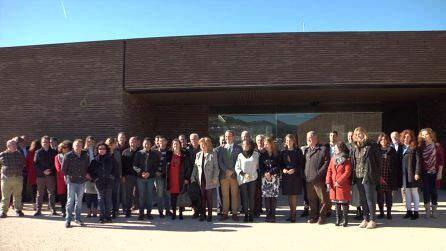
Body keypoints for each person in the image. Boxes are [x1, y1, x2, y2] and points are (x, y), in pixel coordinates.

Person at [350, 127, 381, 229]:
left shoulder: (371, 145)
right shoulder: (354, 146)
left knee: (370, 199)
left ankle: (372, 220)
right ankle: (365, 219)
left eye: (361, 133)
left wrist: (376, 174)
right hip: (358, 176)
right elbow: (353, 161)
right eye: (357, 133)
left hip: (368, 176)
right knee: (363, 199)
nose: (359, 135)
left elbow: (378, 161)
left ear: (364, 133)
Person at [62, 138, 91, 228]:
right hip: (72, 181)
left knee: (79, 201)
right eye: (76, 145)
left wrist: (86, 174)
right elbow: (63, 169)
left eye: (80, 145)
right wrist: (67, 177)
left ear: (82, 146)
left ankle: (77, 218)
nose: (78, 147)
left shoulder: (85, 155)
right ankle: (68, 220)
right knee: (70, 200)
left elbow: (87, 166)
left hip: (82, 181)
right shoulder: (68, 155)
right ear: (73, 146)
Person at [303, 131, 330, 225]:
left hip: (318, 179)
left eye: (310, 137)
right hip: (309, 179)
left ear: (316, 138)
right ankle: (314, 217)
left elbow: (327, 163)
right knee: (311, 199)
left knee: (322, 199)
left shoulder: (323, 149)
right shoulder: (307, 150)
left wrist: (319, 174)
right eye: (307, 138)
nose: (308, 139)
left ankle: (322, 217)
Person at [191, 137, 219, 222]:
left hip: (210, 179)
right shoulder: (198, 154)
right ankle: (203, 214)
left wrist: (215, 178)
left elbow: (216, 167)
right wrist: (192, 177)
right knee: (202, 198)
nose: (202, 146)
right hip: (201, 179)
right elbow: (195, 167)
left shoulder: (213, 154)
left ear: (208, 145)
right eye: (201, 145)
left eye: (204, 145)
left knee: (209, 198)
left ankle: (210, 215)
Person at [89, 142, 118, 223]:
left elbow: (116, 169)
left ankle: (108, 217)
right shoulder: (94, 160)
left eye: (103, 149)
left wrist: (112, 177)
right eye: (100, 149)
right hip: (99, 183)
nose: (101, 150)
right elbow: (91, 171)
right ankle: (102, 217)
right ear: (97, 150)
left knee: (108, 199)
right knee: (101, 199)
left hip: (109, 182)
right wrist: (95, 179)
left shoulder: (111, 159)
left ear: (106, 150)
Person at [418, 128, 444, 218]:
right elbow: (419, 160)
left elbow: (441, 160)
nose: (424, 136)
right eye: (423, 135)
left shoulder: (437, 146)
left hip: (435, 172)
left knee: (434, 191)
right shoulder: (421, 146)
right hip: (425, 172)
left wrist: (440, 172)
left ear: (431, 134)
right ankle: (427, 211)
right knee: (426, 191)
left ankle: (434, 211)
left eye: (426, 134)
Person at [217, 130, 242, 222]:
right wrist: (226, 170)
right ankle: (225, 213)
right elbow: (220, 161)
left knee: (235, 195)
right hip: (224, 175)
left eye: (229, 136)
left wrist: (231, 170)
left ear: (233, 137)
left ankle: (235, 213)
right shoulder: (221, 148)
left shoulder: (238, 148)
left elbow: (239, 161)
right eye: (226, 136)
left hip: (234, 175)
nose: (227, 138)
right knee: (225, 195)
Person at [133, 138, 160, 220]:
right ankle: (141, 213)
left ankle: (149, 213)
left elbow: (156, 166)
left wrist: (149, 173)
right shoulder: (139, 153)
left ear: (151, 145)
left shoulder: (154, 154)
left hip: (150, 178)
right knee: (141, 196)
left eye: (148, 143)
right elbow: (134, 166)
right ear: (142, 144)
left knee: (149, 196)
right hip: (140, 178)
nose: (146, 145)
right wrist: (141, 173)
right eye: (145, 143)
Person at [326, 142, 351, 227]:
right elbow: (329, 170)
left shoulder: (347, 159)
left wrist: (339, 181)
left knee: (343, 202)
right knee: (336, 203)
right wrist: (328, 182)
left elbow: (347, 172)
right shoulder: (333, 159)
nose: (334, 149)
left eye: (336, 148)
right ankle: (338, 219)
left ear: (340, 149)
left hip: (342, 185)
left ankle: (345, 220)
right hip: (333, 185)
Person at [280, 134, 304, 223]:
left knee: (294, 195)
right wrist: (284, 170)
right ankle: (291, 213)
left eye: (290, 140)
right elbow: (281, 165)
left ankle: (294, 214)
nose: (288, 142)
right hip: (287, 176)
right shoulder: (283, 152)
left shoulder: (298, 151)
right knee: (289, 195)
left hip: (295, 176)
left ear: (294, 141)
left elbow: (301, 164)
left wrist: (294, 169)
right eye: (287, 141)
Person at [398, 129, 421, 220]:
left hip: (412, 174)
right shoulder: (401, 147)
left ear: (411, 137)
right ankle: (408, 211)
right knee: (407, 193)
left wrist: (417, 173)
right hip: (404, 175)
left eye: (408, 136)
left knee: (414, 192)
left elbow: (418, 161)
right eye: (404, 136)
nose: (406, 138)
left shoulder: (415, 147)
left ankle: (416, 212)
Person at [166, 138, 191, 220]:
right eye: (174, 144)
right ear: (172, 146)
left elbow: (188, 168)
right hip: (172, 179)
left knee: (181, 197)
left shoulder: (184, 156)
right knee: (173, 197)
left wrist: (187, 178)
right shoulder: (169, 155)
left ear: (180, 145)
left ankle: (180, 213)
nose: (176, 145)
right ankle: (173, 213)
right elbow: (165, 166)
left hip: (181, 179)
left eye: (177, 144)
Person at [235, 139, 259, 222]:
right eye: (243, 145)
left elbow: (256, 166)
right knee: (244, 198)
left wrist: (251, 175)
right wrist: (244, 174)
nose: (244, 146)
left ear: (249, 145)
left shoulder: (256, 154)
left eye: (246, 144)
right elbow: (237, 167)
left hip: (253, 179)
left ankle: (251, 215)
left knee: (251, 198)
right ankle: (246, 215)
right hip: (243, 180)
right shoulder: (240, 155)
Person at [0, 140, 26, 218]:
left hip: (17, 178)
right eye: (13, 145)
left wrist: (19, 172)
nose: (15, 146)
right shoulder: (2, 155)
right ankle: (3, 211)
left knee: (18, 195)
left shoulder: (19, 154)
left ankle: (18, 210)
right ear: (8, 146)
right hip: (6, 178)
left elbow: (23, 164)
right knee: (5, 196)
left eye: (15, 145)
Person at [34, 136, 58, 216]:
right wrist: (43, 171)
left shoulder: (54, 152)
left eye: (47, 142)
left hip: (51, 175)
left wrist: (49, 170)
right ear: (41, 143)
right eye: (44, 142)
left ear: (49, 143)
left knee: (51, 193)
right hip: (40, 176)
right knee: (40, 193)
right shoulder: (38, 152)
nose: (45, 143)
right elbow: (35, 164)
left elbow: (55, 164)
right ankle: (38, 210)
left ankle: (53, 209)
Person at [376, 133, 398, 220]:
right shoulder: (377, 150)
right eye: (381, 140)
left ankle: (389, 213)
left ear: (387, 140)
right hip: (379, 175)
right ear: (379, 141)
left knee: (389, 196)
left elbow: (395, 163)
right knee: (380, 197)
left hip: (389, 176)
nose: (383, 141)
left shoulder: (392, 150)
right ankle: (381, 213)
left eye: (385, 139)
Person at [259, 137, 281, 222]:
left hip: (274, 178)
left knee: (273, 197)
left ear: (271, 144)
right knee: (267, 197)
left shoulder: (277, 154)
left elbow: (278, 166)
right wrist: (265, 174)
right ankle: (268, 215)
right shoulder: (262, 155)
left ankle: (273, 214)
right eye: (264, 144)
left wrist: (270, 173)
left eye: (267, 144)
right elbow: (260, 166)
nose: (265, 145)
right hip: (265, 179)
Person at [105, 137, 123, 218]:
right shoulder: (105, 152)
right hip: (106, 176)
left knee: (115, 194)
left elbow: (119, 164)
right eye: (111, 144)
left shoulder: (117, 152)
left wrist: (120, 175)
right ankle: (108, 210)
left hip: (116, 176)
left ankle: (115, 211)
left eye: (114, 144)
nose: (112, 146)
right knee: (107, 194)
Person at [122, 137, 139, 218]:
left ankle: (138, 208)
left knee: (138, 194)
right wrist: (123, 175)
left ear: (137, 142)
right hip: (128, 176)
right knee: (128, 194)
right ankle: (127, 210)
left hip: (139, 176)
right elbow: (122, 166)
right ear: (129, 143)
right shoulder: (125, 152)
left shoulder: (140, 152)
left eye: (134, 142)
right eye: (131, 142)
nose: (132, 143)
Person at [155, 136, 171, 218]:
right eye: (160, 141)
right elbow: (152, 163)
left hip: (167, 175)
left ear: (166, 142)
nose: (161, 143)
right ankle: (160, 211)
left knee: (167, 194)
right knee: (160, 194)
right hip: (158, 175)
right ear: (158, 143)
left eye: (163, 141)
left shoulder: (170, 152)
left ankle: (168, 210)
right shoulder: (155, 152)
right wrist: (156, 171)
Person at [54, 141, 72, 218]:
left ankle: (70, 211)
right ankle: (63, 211)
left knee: (70, 195)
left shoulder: (71, 156)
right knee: (62, 195)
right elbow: (58, 168)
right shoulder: (57, 157)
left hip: (71, 178)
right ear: (61, 149)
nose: (66, 149)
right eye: (64, 148)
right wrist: (65, 176)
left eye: (67, 147)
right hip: (61, 179)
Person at [187, 133, 201, 218]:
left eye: (195, 139)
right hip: (191, 175)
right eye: (192, 139)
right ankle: (195, 210)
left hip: (201, 175)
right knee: (193, 194)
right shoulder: (187, 150)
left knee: (201, 193)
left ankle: (200, 210)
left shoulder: (202, 148)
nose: (194, 141)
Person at [25, 140, 41, 210]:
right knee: (41, 190)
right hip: (39, 173)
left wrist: (29, 170)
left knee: (33, 190)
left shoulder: (29, 152)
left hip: (31, 173)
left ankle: (34, 204)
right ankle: (39, 204)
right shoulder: (40, 152)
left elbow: (26, 164)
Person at [253, 134, 266, 217]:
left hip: (266, 174)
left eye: (261, 140)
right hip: (256, 174)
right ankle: (257, 209)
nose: (260, 142)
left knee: (265, 192)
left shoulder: (266, 150)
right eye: (258, 140)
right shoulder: (254, 151)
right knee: (257, 192)